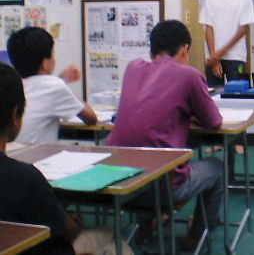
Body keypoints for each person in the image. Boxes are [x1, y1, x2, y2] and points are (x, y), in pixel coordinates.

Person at [106, 20, 223, 249]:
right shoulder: (189, 75)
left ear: (152, 48)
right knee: (217, 168)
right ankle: (196, 236)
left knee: (147, 151)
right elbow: (214, 121)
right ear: (185, 49)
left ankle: (146, 226)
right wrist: (190, 115)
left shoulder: (132, 68)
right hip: (163, 189)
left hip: (118, 183)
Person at [0, 62, 131, 255]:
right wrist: (72, 221)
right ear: (14, 115)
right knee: (111, 238)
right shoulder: (25, 179)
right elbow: (68, 231)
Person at [6, 27, 97, 144]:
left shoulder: (10, 82)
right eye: (53, 54)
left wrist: (62, 81)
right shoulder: (55, 86)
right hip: (34, 154)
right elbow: (91, 119)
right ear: (44, 63)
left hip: (10, 153)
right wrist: (64, 86)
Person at [200, 0, 254, 86]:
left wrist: (219, 53)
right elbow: (209, 29)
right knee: (214, 93)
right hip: (213, 57)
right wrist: (214, 57)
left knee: (237, 93)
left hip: (236, 56)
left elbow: (243, 29)